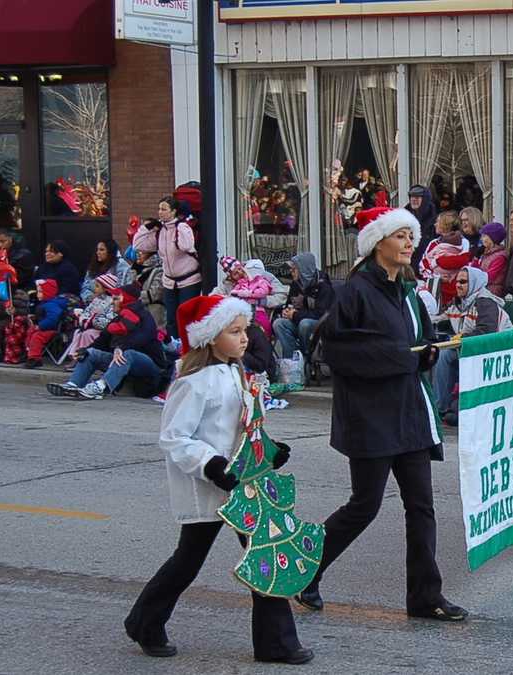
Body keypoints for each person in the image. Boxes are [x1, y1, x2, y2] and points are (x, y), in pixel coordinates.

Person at [295, 206, 468, 622]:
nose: (411, 244)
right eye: (402, 237)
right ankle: (303, 572)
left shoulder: (408, 291)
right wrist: (402, 358)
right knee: (364, 505)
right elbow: (335, 350)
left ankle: (426, 597)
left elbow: (420, 342)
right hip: (370, 416)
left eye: (412, 237)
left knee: (421, 507)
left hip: (408, 414)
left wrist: (429, 352)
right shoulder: (354, 290)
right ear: (378, 244)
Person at [123, 294, 312, 665]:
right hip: (208, 488)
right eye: (235, 331)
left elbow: (243, 430)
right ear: (209, 336)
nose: (245, 338)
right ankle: (144, 621)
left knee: (266, 551)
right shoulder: (194, 382)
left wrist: (271, 452)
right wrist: (210, 465)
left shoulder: (236, 373)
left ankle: (276, 642)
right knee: (187, 561)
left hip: (244, 484)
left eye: (246, 330)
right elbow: (175, 436)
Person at [46, 284, 171, 401]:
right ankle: (73, 384)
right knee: (91, 353)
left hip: (150, 366)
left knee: (128, 354)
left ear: (126, 300)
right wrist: (85, 350)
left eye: (116, 299)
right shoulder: (117, 318)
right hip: (122, 362)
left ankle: (101, 386)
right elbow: (103, 339)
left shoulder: (145, 317)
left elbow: (142, 338)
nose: (112, 302)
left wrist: (120, 348)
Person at [432, 266, 513, 425]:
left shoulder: (485, 302)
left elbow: (487, 332)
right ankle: (439, 408)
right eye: (457, 281)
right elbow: (437, 319)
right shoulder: (458, 303)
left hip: (496, 351)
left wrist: (462, 337)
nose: (458, 285)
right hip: (470, 349)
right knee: (437, 352)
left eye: (463, 282)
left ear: (475, 283)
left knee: (445, 354)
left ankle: (442, 408)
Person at [134, 196, 203, 340]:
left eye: (164, 209)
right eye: (159, 209)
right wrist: (146, 228)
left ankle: (188, 349)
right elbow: (138, 245)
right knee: (171, 319)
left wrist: (181, 226)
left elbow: (186, 246)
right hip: (169, 281)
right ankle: (174, 348)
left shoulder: (182, 227)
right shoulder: (159, 231)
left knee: (186, 317)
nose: (160, 212)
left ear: (173, 212)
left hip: (189, 279)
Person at [273, 252, 334, 361]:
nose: (291, 271)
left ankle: (307, 357)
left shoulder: (323, 286)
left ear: (304, 270)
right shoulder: (296, 283)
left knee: (305, 324)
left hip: (319, 326)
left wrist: (295, 314)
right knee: (279, 323)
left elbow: (321, 314)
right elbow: (289, 303)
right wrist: (286, 311)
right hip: (299, 320)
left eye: (294, 269)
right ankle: (291, 361)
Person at [64, 273, 120, 361]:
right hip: (90, 327)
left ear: (106, 289)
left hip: (102, 331)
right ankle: (76, 356)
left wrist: (93, 321)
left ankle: (85, 356)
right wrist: (83, 319)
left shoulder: (111, 302)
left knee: (88, 334)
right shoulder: (96, 300)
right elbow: (87, 312)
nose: (94, 289)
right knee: (78, 332)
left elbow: (110, 321)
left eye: (97, 286)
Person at [23, 279, 68, 368]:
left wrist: (40, 326)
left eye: (40, 292)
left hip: (51, 329)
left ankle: (35, 358)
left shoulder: (51, 305)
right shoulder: (45, 304)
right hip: (45, 327)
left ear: (47, 293)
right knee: (30, 332)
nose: (37, 294)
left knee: (37, 337)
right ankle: (29, 353)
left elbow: (53, 319)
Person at [406, 185, 438, 270]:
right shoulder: (404, 216)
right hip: (407, 265)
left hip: (427, 266)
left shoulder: (435, 219)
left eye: (417, 197)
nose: (413, 199)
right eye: (412, 196)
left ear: (425, 199)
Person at [473, 221, 509, 298]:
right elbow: (475, 272)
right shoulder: (487, 254)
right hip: (484, 292)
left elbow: (488, 277)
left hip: (493, 293)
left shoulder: (500, 257)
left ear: (493, 238)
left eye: (485, 236)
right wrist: (476, 258)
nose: (482, 239)